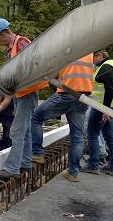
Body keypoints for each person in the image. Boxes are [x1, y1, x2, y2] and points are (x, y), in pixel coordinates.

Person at [0, 18, 48, 180]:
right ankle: (25, 162)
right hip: (22, 93)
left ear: (3, 33)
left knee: (17, 131)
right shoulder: (12, 47)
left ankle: (12, 168)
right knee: (26, 130)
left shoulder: (21, 43)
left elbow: (30, 66)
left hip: (27, 93)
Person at [31, 54, 95, 182]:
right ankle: (73, 172)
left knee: (35, 117)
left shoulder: (67, 47)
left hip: (66, 93)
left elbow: (54, 75)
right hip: (84, 97)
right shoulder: (89, 50)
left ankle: (37, 153)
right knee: (77, 136)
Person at [83, 50, 113, 177]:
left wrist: (105, 110)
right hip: (111, 107)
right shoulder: (112, 65)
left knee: (92, 134)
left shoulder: (106, 67)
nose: (93, 60)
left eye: (94, 57)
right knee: (110, 136)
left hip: (101, 107)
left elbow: (110, 89)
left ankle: (93, 165)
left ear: (101, 56)